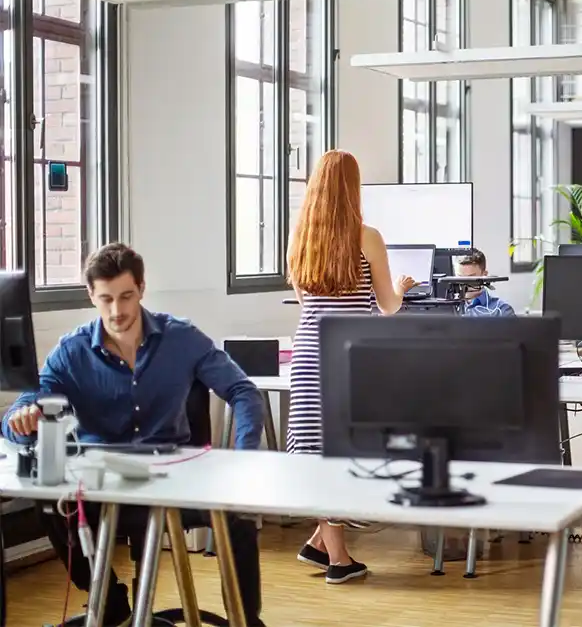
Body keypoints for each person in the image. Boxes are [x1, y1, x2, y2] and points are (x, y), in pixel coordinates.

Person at [1, 243, 266, 627]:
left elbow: (243, 392)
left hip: (173, 478)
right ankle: (108, 601)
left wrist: (243, 457)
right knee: (51, 502)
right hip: (101, 483)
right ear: (91, 295)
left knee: (238, 514)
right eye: (105, 299)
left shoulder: (182, 338)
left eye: (126, 296)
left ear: (141, 288)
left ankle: (246, 619)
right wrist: (24, 416)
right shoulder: (72, 351)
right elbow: (30, 401)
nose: (116, 311)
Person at [286, 149, 416, 584]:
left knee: (312, 449)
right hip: (348, 356)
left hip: (307, 353)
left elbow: (308, 305)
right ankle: (339, 562)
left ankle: (319, 543)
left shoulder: (301, 238)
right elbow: (387, 306)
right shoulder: (367, 237)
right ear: (352, 189)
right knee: (341, 452)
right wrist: (399, 289)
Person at [455, 248, 514, 317]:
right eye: (460, 277)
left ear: (484, 275)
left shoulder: (501, 311)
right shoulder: (445, 306)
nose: (464, 284)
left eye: (470, 278)